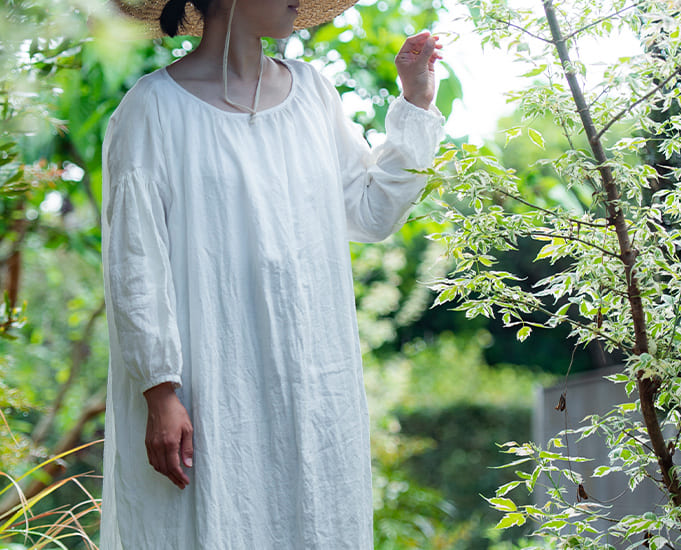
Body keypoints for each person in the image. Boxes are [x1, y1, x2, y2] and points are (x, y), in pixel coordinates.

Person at [99, 0, 445, 547]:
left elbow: (371, 211)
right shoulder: (151, 109)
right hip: (208, 392)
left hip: (312, 387)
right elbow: (134, 261)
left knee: (313, 519)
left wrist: (416, 101)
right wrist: (160, 392)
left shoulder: (313, 94)